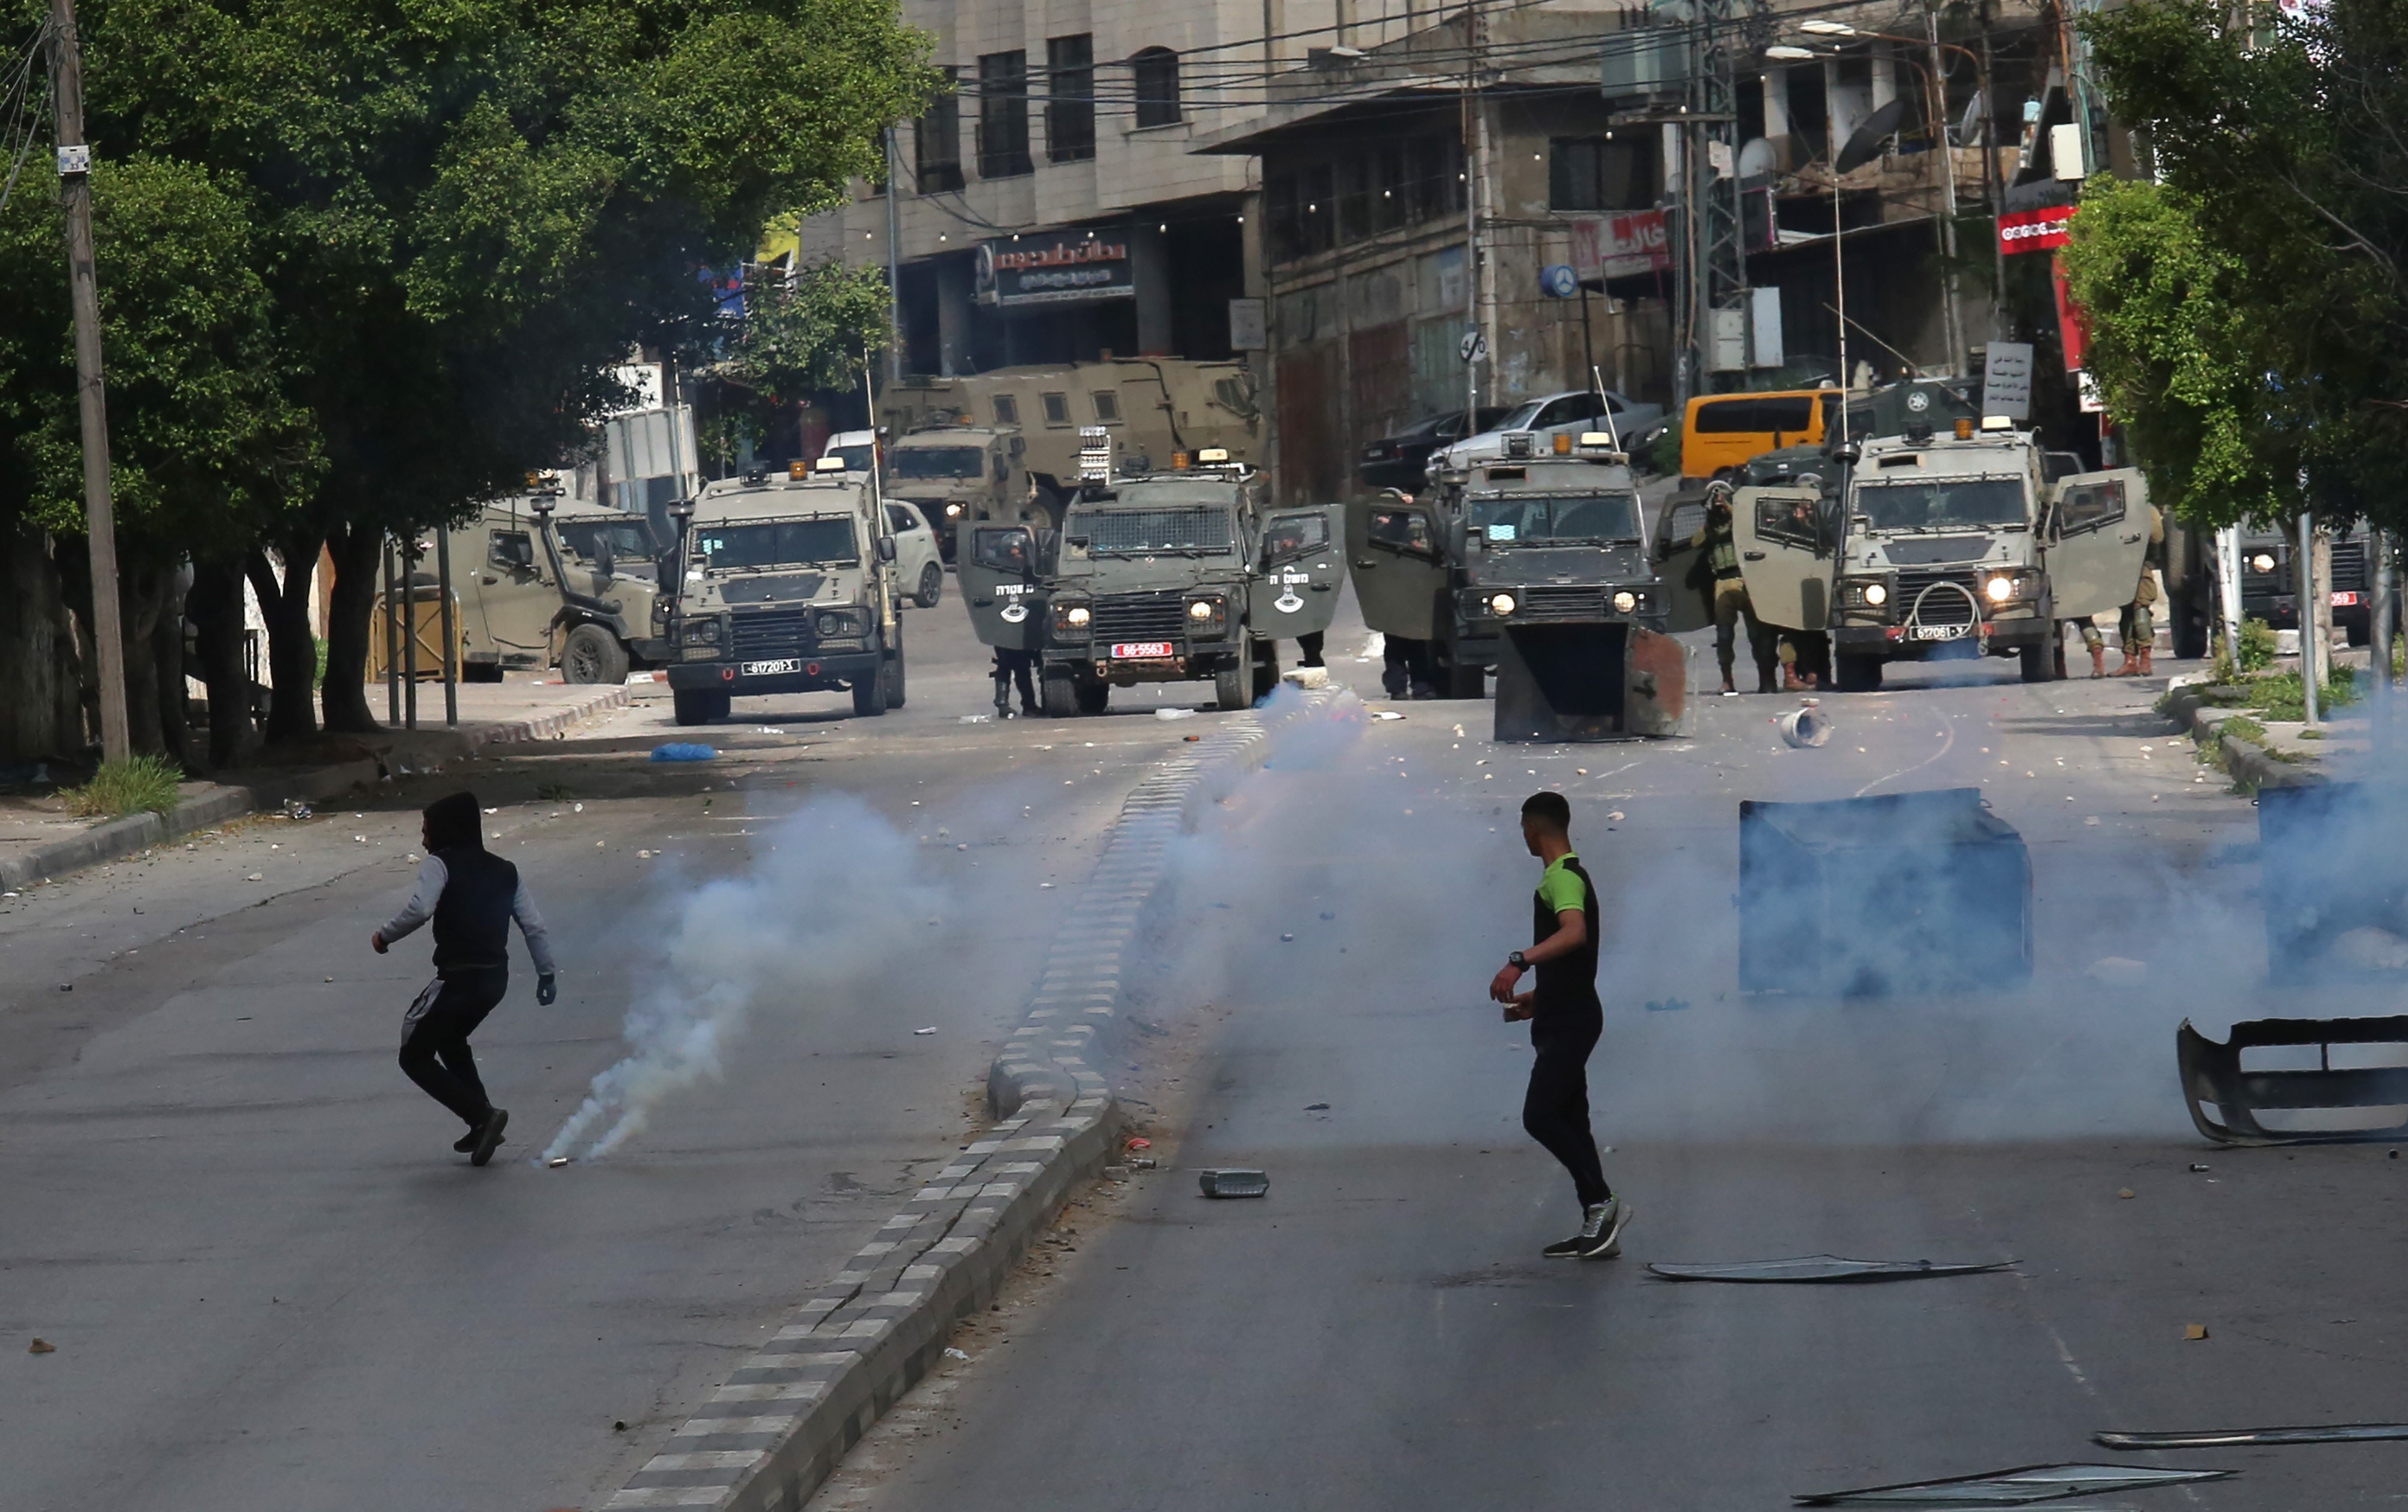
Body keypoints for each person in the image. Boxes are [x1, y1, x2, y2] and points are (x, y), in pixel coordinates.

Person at [372, 792, 558, 1166]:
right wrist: (546, 973)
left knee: (414, 1054)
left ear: (443, 831)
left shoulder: (439, 864)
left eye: (426, 832)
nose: (423, 841)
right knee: (451, 1040)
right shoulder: (506, 869)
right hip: (495, 981)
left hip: (458, 979)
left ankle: (482, 1116)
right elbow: (534, 926)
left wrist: (384, 936)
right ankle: (481, 1122)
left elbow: (421, 908)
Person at [1489, 792, 1628, 1261]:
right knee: (1571, 1118)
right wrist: (1536, 999)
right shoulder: (1566, 875)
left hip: (1572, 1020)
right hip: (1564, 1012)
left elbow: (1574, 934)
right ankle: (1596, 1218)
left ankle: (1602, 1202)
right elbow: (1573, 960)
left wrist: (1517, 962)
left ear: (1532, 828)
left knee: (1540, 1115)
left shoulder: (1561, 878)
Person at [1688, 485, 1777, 694]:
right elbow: (1696, 543)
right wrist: (1711, 517)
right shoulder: (1711, 529)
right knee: (1724, 635)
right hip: (1723, 582)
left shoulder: (1741, 521)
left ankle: (1767, 679)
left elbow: (1749, 529)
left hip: (1747, 579)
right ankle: (1727, 680)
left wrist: (1731, 510)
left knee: (1759, 634)